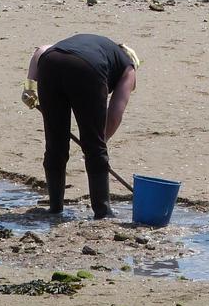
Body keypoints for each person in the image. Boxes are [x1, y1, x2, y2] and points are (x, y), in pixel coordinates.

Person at [23, 35, 140, 220]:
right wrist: (98, 145)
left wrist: (29, 86)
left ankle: (55, 208)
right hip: (87, 68)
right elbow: (115, 112)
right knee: (95, 145)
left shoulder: (96, 46)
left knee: (55, 142)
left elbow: (41, 50)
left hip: (50, 62)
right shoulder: (129, 68)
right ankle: (103, 211)